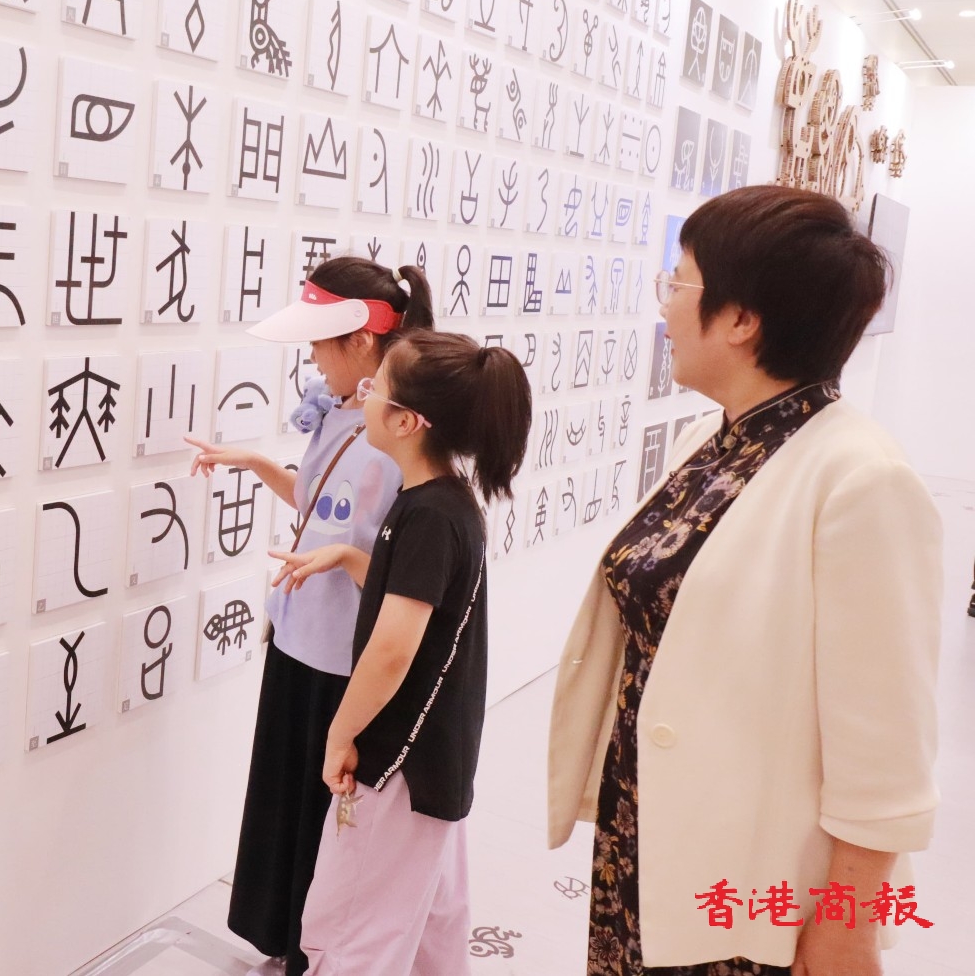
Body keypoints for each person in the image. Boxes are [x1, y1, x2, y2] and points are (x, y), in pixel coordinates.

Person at [547, 185, 943, 976]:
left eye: (679, 282)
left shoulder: (861, 479)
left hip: (751, 872)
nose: (665, 307)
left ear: (741, 319)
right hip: (654, 824)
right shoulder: (714, 439)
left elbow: (888, 748)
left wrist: (847, 926)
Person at [186, 257, 433, 976]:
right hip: (297, 636)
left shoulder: (396, 436)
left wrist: (343, 561)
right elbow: (317, 504)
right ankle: (282, 934)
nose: (314, 358)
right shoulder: (341, 413)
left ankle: (313, 950)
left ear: (361, 339)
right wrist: (254, 461)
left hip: (343, 656)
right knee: (284, 795)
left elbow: (398, 568)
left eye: (321, 343)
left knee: (324, 814)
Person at [286, 331, 533, 974]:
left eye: (377, 389)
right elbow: (419, 600)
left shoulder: (430, 515)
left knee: (353, 931)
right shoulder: (441, 502)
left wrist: (340, 734)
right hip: (435, 757)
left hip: (401, 757)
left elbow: (395, 648)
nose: (364, 397)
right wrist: (348, 556)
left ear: (406, 422)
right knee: (429, 924)